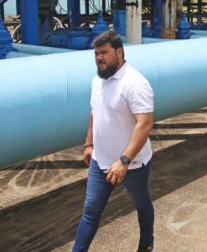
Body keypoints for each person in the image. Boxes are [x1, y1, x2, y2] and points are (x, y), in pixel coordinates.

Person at [73, 31, 156, 252]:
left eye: (104, 53)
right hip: (101, 162)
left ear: (119, 52)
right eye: (97, 54)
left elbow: (145, 124)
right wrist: (89, 144)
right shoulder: (97, 80)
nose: (100, 58)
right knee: (90, 212)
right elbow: (95, 113)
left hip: (132, 164)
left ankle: (146, 243)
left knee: (141, 205)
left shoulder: (135, 83)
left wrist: (124, 160)